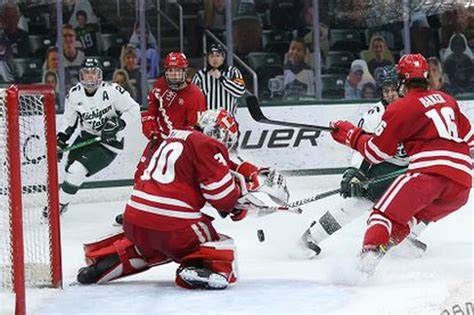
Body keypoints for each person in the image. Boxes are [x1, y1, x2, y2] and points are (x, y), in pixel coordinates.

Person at [75, 109, 289, 290]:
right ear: (220, 134)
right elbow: (222, 198)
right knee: (219, 243)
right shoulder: (209, 145)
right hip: (172, 225)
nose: (226, 146)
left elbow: (193, 173)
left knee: (149, 245)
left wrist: (238, 174)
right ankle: (198, 268)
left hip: (134, 220)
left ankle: (104, 265)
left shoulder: (174, 135)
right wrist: (240, 203)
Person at [330, 54, 473, 275]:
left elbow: (374, 152)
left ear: (401, 81)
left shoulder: (399, 108)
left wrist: (349, 134)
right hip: (462, 185)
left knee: (380, 215)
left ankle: (362, 267)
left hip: (426, 175)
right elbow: (470, 138)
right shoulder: (447, 100)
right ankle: (381, 249)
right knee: (407, 220)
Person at [301, 65, 427, 257]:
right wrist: (355, 172)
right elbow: (363, 147)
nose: (391, 94)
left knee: (433, 196)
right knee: (356, 203)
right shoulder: (373, 117)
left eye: (394, 89)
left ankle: (406, 237)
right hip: (384, 166)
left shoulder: (418, 108)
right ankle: (313, 236)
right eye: (386, 90)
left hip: (412, 165)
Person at [44, 57, 140, 217]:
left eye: (93, 72)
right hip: (86, 138)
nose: (90, 76)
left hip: (109, 143)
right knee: (69, 169)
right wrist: (59, 142)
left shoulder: (113, 91)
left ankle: (57, 207)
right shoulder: (74, 94)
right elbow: (69, 123)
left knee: (76, 171)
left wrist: (119, 124)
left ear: (99, 75)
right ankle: (64, 202)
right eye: (86, 73)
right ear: (81, 75)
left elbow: (134, 109)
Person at [142, 52, 207, 138]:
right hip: (161, 139)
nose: (174, 75)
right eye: (170, 70)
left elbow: (196, 130)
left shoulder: (195, 95)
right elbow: (151, 110)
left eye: (177, 70)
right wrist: (152, 131)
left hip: (184, 143)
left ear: (185, 71)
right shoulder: (161, 84)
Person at [192, 44, 245, 116]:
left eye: (218, 56)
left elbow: (240, 91)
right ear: (207, 58)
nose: (215, 59)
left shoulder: (233, 72)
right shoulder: (200, 75)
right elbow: (192, 97)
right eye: (211, 56)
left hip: (228, 121)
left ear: (223, 57)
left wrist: (221, 79)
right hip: (206, 121)